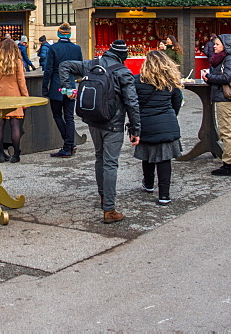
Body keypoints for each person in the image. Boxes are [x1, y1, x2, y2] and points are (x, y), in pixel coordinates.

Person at [59, 39, 141, 223]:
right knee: (110, 163)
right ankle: (109, 210)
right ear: (123, 56)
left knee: (99, 157)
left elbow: (65, 65)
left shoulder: (92, 64)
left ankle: (104, 197)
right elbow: (132, 102)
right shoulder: (123, 72)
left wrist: (68, 89)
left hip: (93, 120)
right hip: (113, 123)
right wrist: (135, 128)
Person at [133, 50, 183, 205]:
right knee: (164, 159)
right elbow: (177, 102)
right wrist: (170, 116)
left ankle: (148, 184)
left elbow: (133, 104)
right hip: (167, 122)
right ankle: (164, 195)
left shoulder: (137, 81)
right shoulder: (171, 82)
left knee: (147, 155)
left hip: (145, 122)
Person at [42, 22, 83, 157]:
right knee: (70, 116)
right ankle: (69, 144)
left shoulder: (53, 48)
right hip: (70, 86)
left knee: (57, 114)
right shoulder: (76, 49)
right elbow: (80, 69)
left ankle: (68, 145)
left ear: (59, 33)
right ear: (70, 33)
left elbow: (48, 69)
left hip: (57, 86)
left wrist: (45, 87)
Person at [203, 34, 231, 176]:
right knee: (228, 129)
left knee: (225, 131)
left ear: (225, 46)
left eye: (217, 44)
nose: (214, 46)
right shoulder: (223, 60)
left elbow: (226, 78)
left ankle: (229, 164)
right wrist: (210, 79)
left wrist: (210, 77)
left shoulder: (229, 60)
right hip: (222, 97)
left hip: (225, 99)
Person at [0, 38, 29, 163]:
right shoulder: (17, 62)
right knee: (15, 125)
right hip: (14, 94)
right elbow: (21, 82)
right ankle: (16, 155)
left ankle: (1, 154)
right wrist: (25, 97)